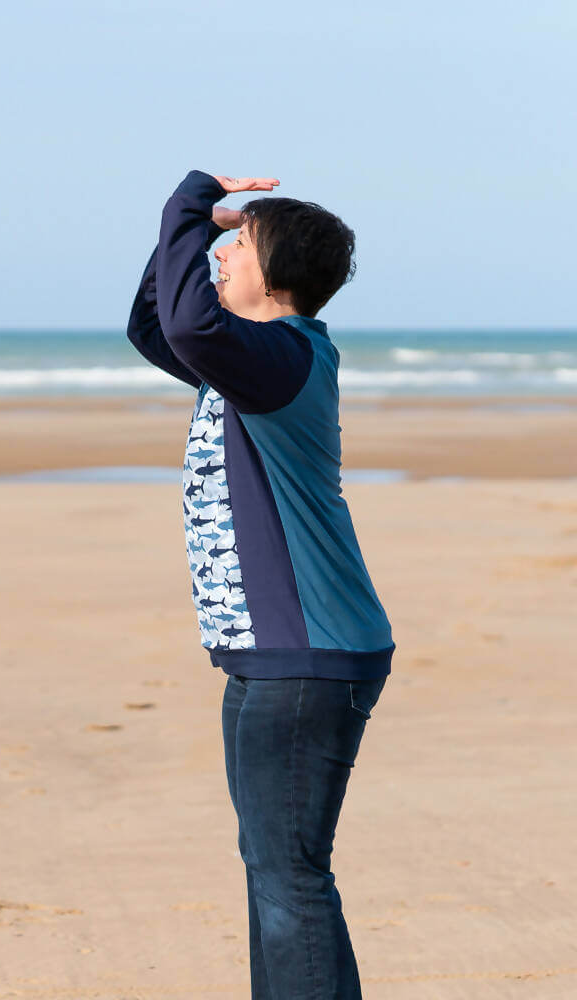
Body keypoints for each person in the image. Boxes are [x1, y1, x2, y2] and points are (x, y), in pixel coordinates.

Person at [127, 170, 395, 999]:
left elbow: (186, 323)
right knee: (275, 868)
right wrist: (198, 230)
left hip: (307, 654)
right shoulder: (249, 365)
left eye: (239, 245)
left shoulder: (282, 357)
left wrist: (187, 202)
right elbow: (155, 325)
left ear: (276, 276)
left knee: (289, 875)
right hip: (273, 657)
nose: (222, 255)